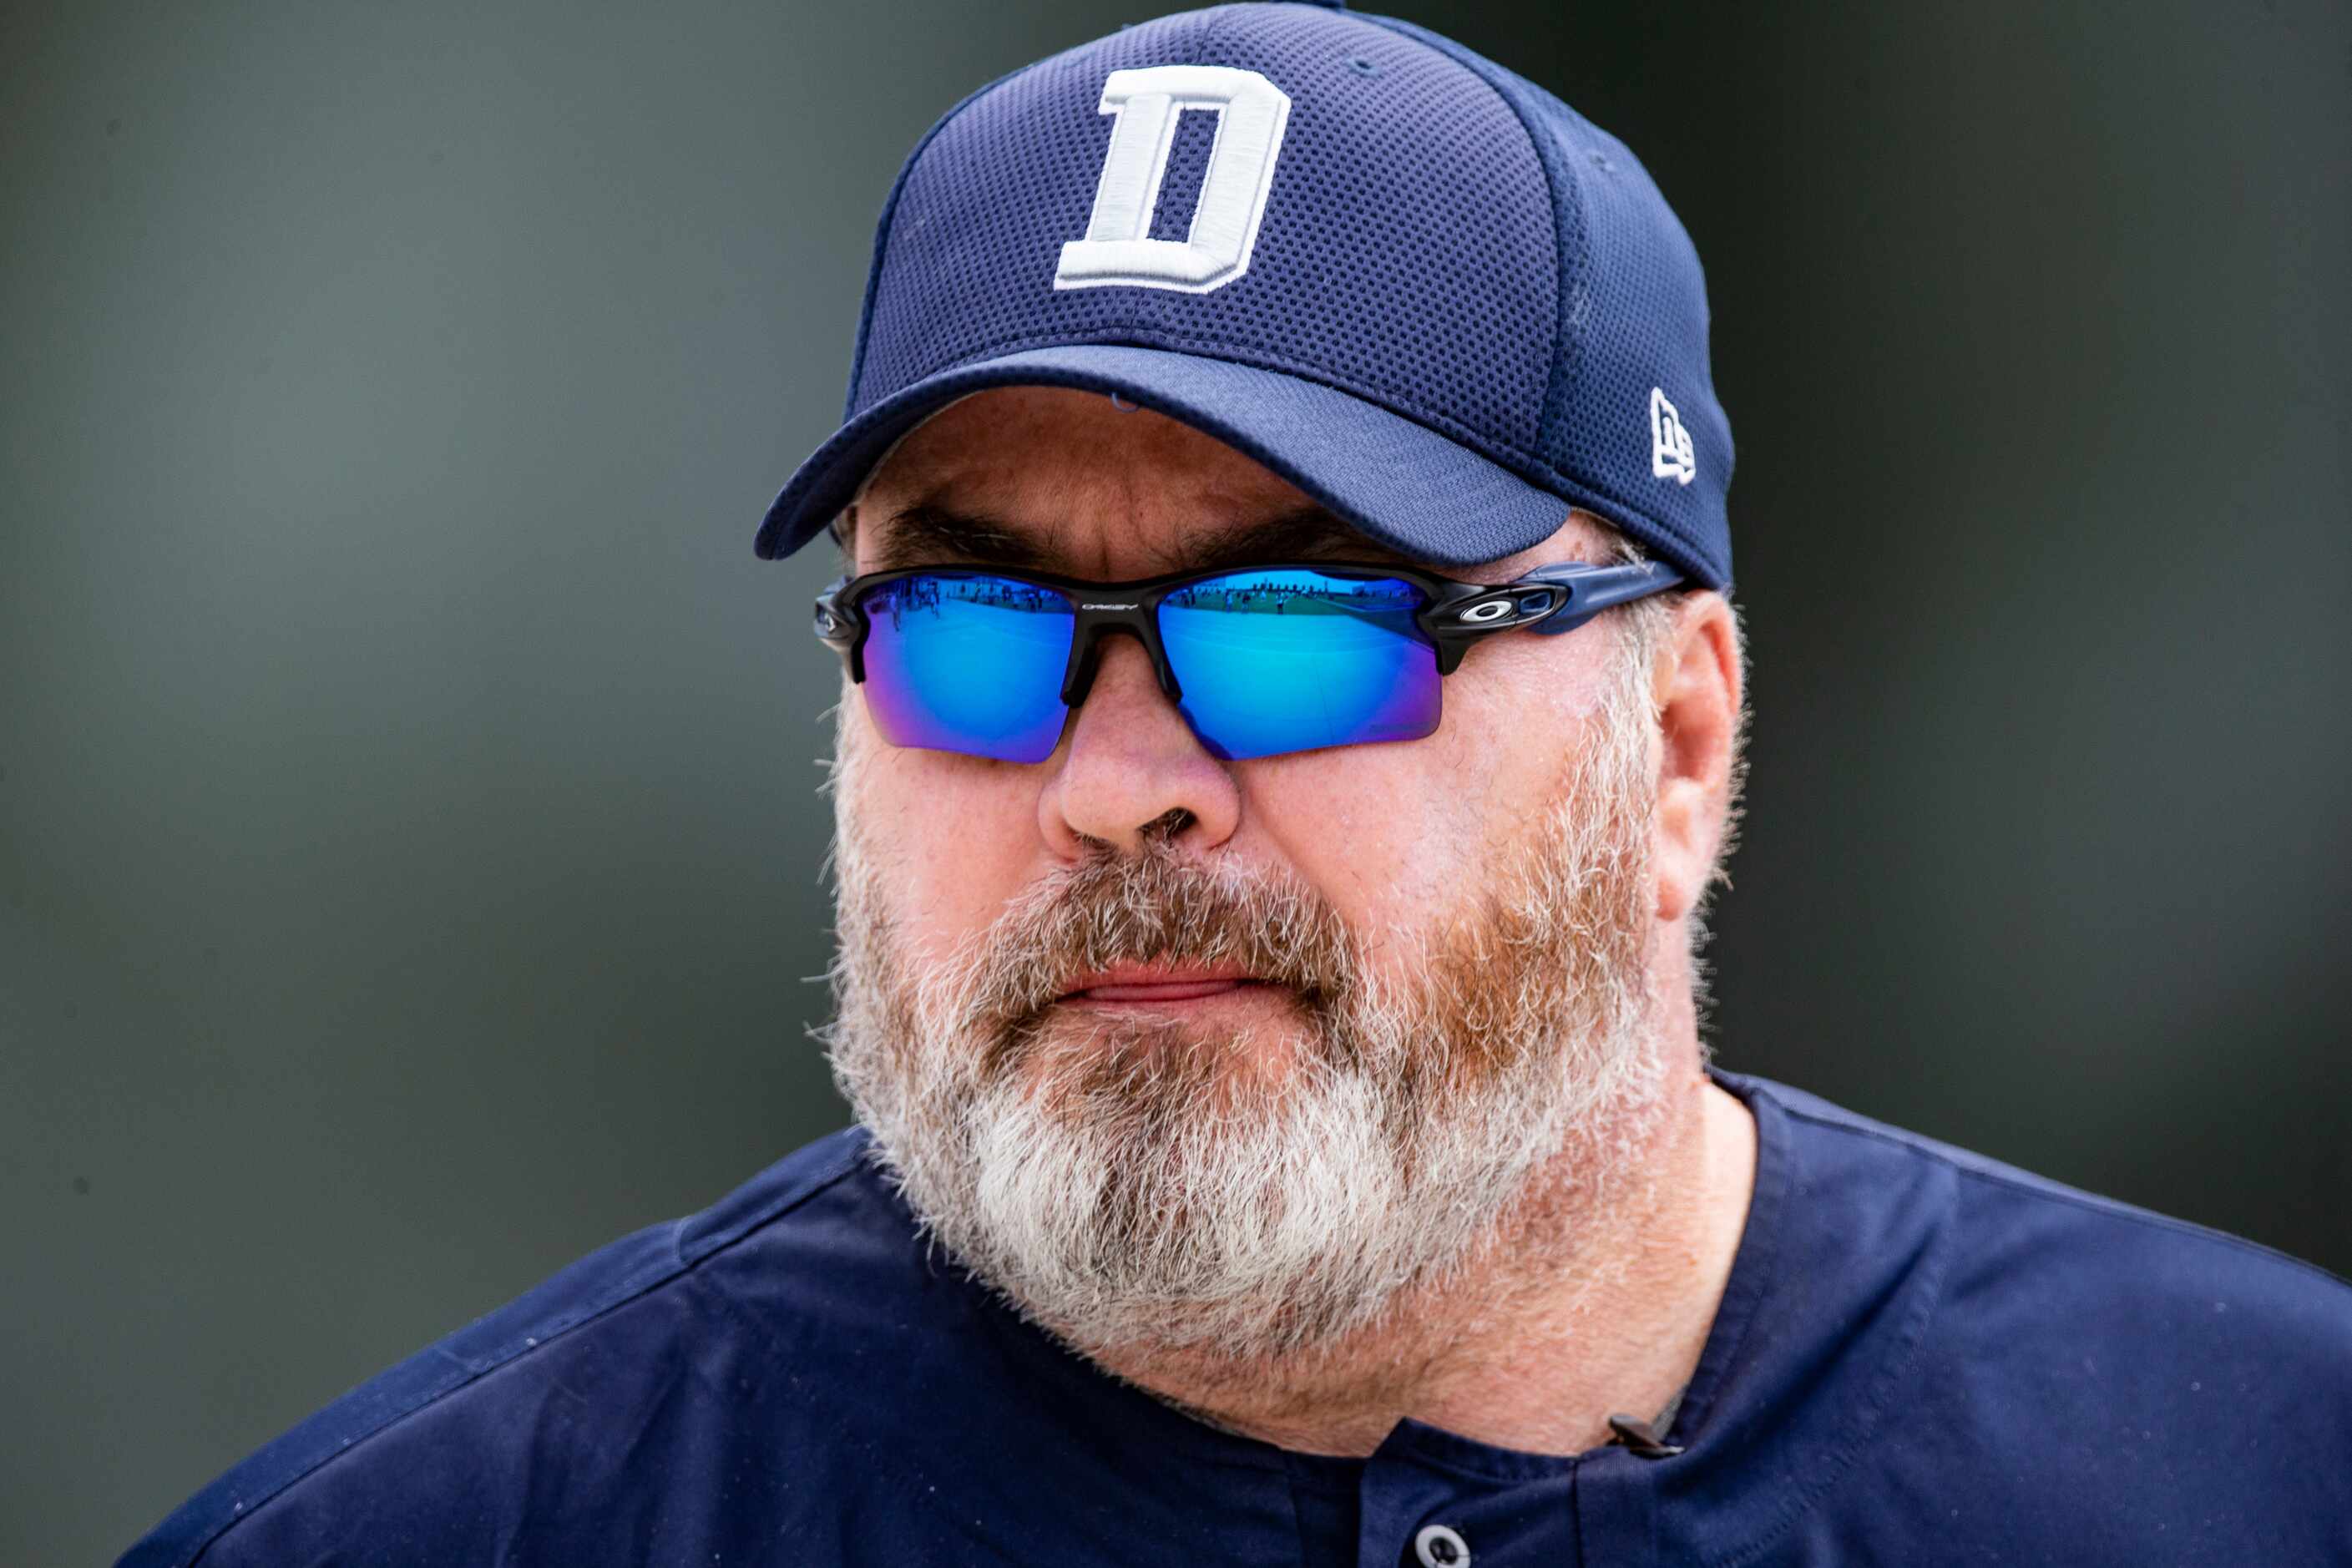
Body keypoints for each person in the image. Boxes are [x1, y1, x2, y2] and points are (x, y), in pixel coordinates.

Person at [122, 3, 2349, 1564]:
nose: (1112, 785)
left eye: (1302, 633)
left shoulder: (2258, 1467)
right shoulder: (458, 1534)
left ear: (1671, 745)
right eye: (971, 633)